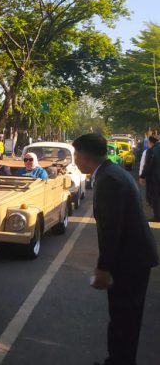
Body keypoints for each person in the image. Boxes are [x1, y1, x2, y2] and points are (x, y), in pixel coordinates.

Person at [72, 134, 158, 365]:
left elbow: (112, 230)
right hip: (134, 257)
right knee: (125, 319)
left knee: (123, 319)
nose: (75, 160)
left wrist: (103, 268)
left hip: (130, 261)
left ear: (84, 156)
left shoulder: (108, 179)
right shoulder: (112, 172)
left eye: (75, 154)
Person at [140, 134, 160, 220]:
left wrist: (142, 176)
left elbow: (147, 165)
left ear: (150, 142)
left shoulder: (151, 151)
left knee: (155, 198)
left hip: (154, 179)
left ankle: (157, 217)